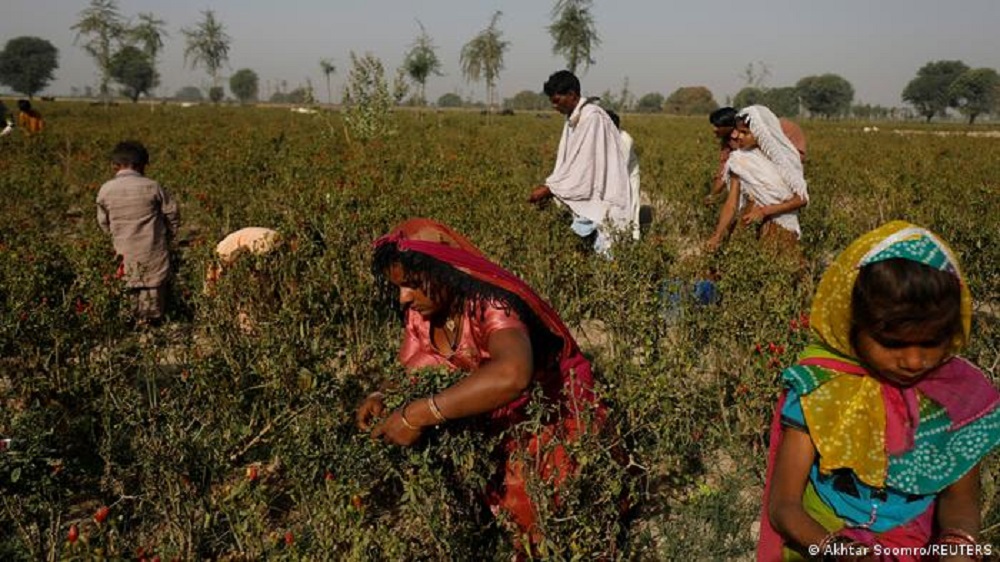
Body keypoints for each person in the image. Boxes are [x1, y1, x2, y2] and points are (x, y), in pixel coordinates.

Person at [758, 221, 1000, 561]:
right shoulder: (821, 388)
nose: (914, 360)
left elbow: (960, 502)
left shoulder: (960, 399)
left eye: (932, 342)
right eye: (892, 343)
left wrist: (958, 546)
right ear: (853, 325)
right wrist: (839, 551)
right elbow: (784, 506)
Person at [357, 218, 605, 548]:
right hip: (493, 419)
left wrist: (418, 414)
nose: (403, 298)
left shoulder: (492, 305)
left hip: (547, 415)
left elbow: (512, 375)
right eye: (398, 287)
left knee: (540, 512)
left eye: (413, 283)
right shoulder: (423, 313)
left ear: (444, 271)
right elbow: (412, 366)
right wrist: (381, 394)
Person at [528, 70, 635, 256]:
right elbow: (570, 162)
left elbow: (581, 167)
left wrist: (549, 189)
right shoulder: (574, 119)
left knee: (606, 256)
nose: (554, 106)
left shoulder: (592, 117)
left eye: (557, 100)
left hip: (604, 198)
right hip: (594, 200)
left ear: (571, 95)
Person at [96, 141, 180, 324]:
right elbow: (172, 214)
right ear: (142, 165)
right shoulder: (153, 186)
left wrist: (115, 237)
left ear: (114, 166)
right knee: (153, 290)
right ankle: (151, 327)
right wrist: (169, 236)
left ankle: (131, 324)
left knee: (127, 286)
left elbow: (103, 223)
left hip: (122, 250)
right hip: (152, 250)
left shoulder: (105, 190)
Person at [706, 105, 808, 253]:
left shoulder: (785, 159)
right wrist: (718, 235)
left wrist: (764, 212)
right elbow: (731, 204)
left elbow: (801, 199)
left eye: (745, 132)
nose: (738, 136)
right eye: (738, 131)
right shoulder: (739, 159)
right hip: (748, 222)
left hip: (781, 228)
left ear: (760, 132)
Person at [706, 107, 807, 204]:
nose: (714, 129)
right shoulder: (727, 142)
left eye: (717, 126)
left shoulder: (763, 131)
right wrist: (712, 195)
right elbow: (723, 172)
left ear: (729, 127)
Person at [605, 109, 642, 240]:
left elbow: (620, 169)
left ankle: (634, 239)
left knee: (632, 206)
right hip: (610, 174)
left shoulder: (625, 140)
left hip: (628, 175)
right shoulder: (601, 136)